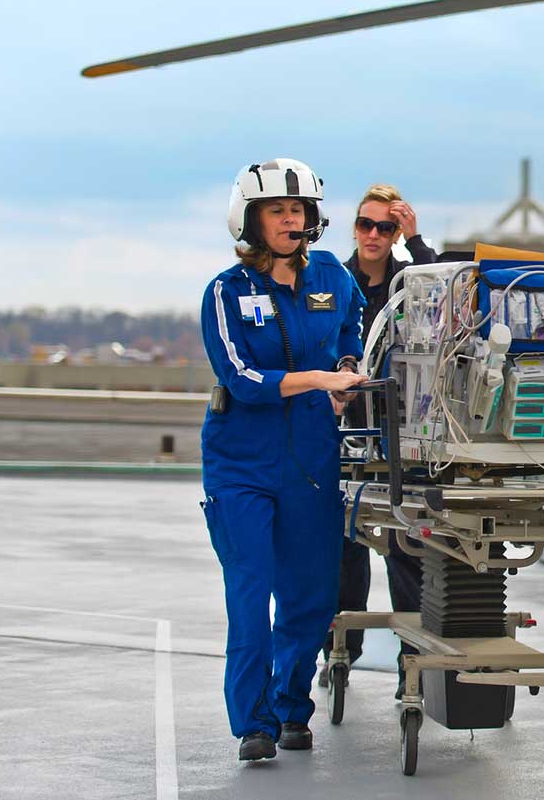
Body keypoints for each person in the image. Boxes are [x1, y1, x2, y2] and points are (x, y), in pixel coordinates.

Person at [197, 157, 368, 762]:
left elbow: (353, 329)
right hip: (241, 465)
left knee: (311, 597)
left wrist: (346, 371)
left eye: (297, 210)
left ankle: (293, 706)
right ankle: (255, 724)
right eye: (277, 210)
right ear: (251, 219)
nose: (290, 220)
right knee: (251, 596)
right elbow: (242, 378)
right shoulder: (226, 292)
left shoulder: (331, 277)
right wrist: (314, 377)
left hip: (312, 461)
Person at [331, 183, 437, 696]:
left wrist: (417, 242)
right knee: (346, 544)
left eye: (386, 227)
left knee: (404, 545)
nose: (373, 235)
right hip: (347, 428)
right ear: (354, 227)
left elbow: (447, 304)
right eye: (366, 224)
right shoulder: (333, 280)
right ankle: (339, 653)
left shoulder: (408, 279)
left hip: (400, 431)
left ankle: (410, 664)